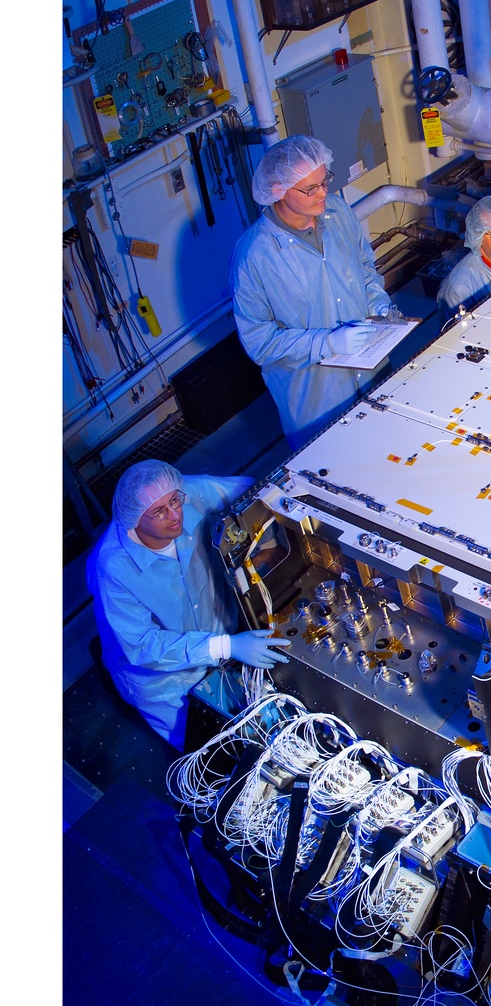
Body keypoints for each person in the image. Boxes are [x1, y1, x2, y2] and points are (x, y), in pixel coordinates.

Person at [87, 460, 291, 749]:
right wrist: (224, 646)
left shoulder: (190, 495)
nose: (174, 515)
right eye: (159, 512)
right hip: (165, 681)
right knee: (214, 751)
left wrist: (268, 544)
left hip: (226, 637)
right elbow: (145, 645)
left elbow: (258, 492)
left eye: (174, 502)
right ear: (134, 520)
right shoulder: (113, 569)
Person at [231, 135, 395, 451]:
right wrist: (326, 343)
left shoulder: (336, 211)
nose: (323, 193)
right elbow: (260, 343)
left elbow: (363, 265)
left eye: (324, 181)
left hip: (372, 369)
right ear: (277, 191)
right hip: (318, 400)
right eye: (310, 188)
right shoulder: (254, 256)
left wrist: (379, 305)